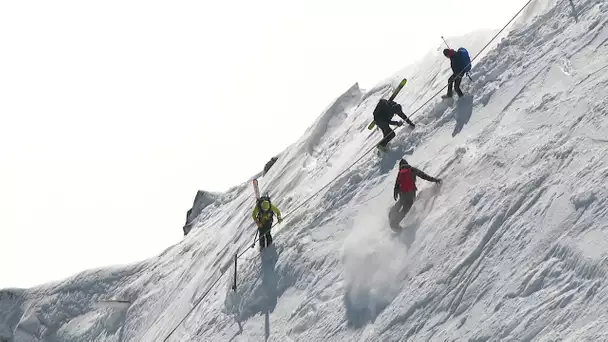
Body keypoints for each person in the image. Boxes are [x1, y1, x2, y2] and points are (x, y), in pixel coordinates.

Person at [392, 158, 441, 224]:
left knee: (401, 202)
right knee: (405, 208)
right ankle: (395, 223)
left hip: (402, 193)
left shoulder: (400, 173)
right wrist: (435, 180)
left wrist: (395, 193)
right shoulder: (412, 169)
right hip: (411, 193)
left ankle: (391, 214)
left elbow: (397, 185)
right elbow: (424, 176)